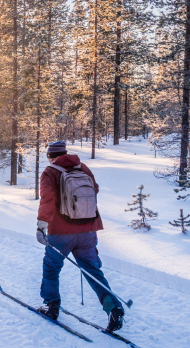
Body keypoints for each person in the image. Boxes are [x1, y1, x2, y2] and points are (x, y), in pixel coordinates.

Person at [35, 141, 125, 332]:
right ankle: (114, 307)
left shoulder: (50, 172)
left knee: (51, 267)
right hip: (87, 230)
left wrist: (42, 225)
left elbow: (48, 199)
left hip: (60, 232)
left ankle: (51, 306)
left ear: (51, 156)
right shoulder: (83, 168)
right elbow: (95, 190)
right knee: (93, 270)